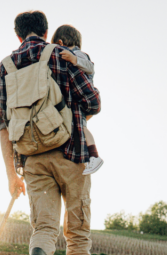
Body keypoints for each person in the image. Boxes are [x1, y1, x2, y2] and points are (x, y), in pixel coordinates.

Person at [0, 10, 101, 255]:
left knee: (44, 228)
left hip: (32, 160)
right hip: (72, 152)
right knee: (77, 228)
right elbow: (93, 101)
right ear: (46, 31)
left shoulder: (5, 67)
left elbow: (2, 124)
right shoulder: (60, 54)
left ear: (18, 35)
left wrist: (12, 175)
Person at [51, 24, 103, 175]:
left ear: (60, 42)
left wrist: (74, 59)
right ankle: (93, 155)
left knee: (82, 128)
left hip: (82, 100)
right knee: (80, 127)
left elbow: (90, 67)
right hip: (78, 100)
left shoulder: (79, 54)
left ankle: (94, 156)